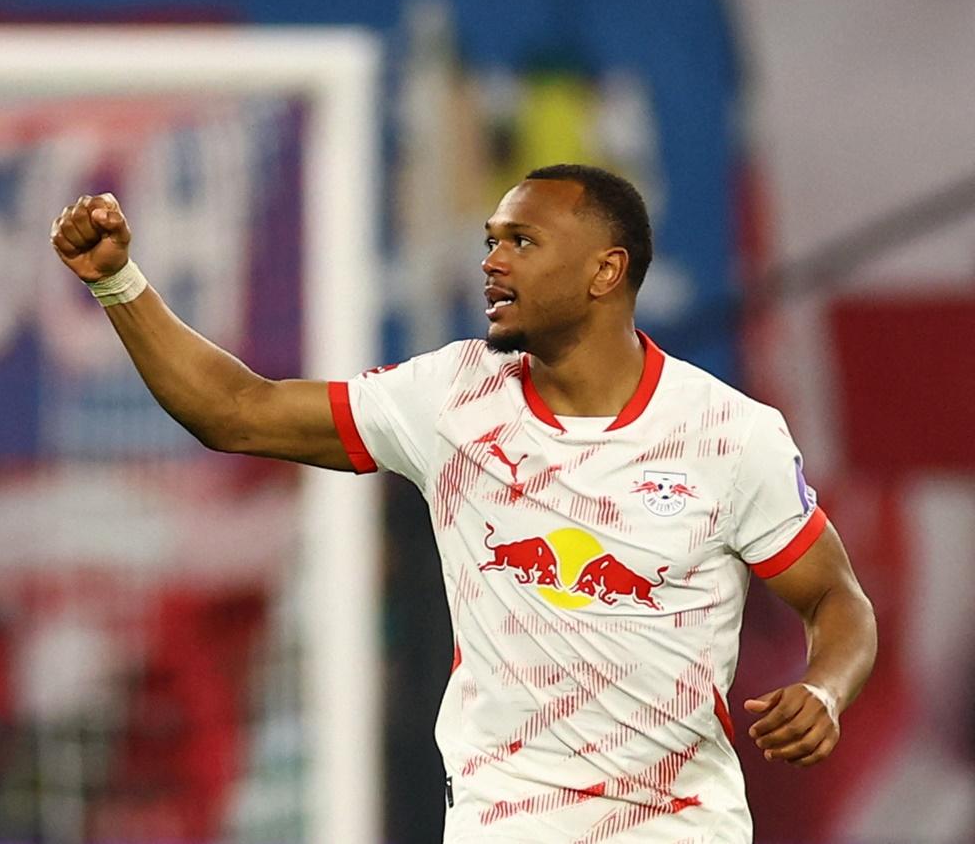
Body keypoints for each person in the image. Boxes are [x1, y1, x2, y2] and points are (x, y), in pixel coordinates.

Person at [50, 164, 877, 844]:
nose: (493, 260)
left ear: (605, 269)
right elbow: (234, 409)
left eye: (522, 240)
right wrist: (120, 282)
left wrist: (827, 689)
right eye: (490, 241)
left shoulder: (728, 433)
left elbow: (836, 597)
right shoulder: (451, 398)